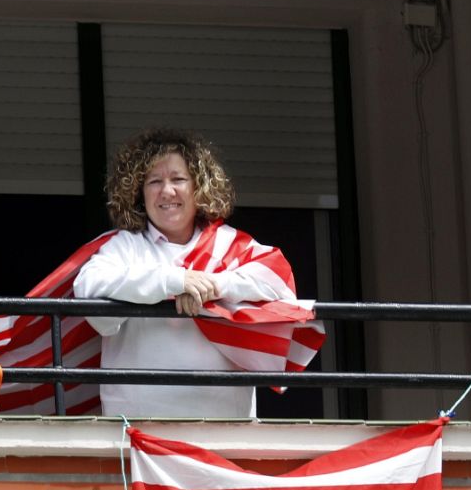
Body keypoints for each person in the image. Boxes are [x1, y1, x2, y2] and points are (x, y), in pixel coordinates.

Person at [72, 127, 306, 417]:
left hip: (225, 429)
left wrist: (211, 286)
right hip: (139, 430)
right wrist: (173, 281)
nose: (166, 191)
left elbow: (279, 283)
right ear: (138, 193)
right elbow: (90, 289)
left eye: (178, 179)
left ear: (199, 187)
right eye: (154, 181)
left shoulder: (231, 244)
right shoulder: (123, 247)